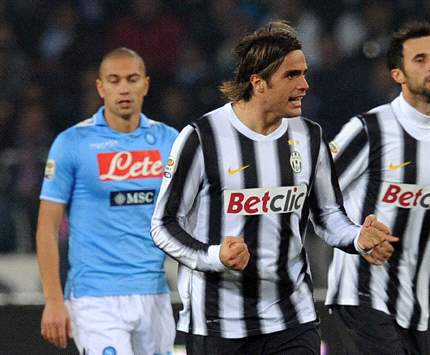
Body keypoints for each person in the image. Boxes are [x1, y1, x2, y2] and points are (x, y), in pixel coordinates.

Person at [151, 21, 398, 355]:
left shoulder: (309, 138)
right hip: (218, 323)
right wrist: (214, 256)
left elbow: (326, 214)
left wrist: (358, 238)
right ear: (258, 82)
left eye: (305, 73)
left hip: (292, 318)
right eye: (292, 75)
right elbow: (163, 225)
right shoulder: (202, 138)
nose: (305, 85)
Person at [325, 21, 430, 355]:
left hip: (413, 304)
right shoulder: (369, 129)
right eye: (420, 59)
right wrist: (357, 238)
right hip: (361, 293)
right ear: (397, 74)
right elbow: (319, 195)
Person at [36, 47, 178, 354]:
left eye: (132, 79)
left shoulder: (170, 141)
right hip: (94, 297)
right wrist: (53, 300)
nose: (123, 88)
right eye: (114, 80)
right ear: (100, 87)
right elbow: (47, 227)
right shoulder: (72, 143)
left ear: (146, 85)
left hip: (154, 292)